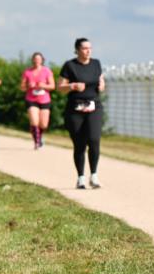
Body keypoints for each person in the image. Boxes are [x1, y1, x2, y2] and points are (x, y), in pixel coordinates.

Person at [57, 38, 105, 189]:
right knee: (79, 145)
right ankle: (81, 178)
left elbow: (100, 80)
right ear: (77, 50)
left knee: (94, 140)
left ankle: (94, 175)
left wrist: (102, 85)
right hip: (75, 109)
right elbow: (60, 87)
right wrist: (72, 86)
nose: (88, 51)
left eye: (90, 48)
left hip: (93, 107)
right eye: (85, 48)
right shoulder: (70, 65)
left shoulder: (96, 63)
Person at [21, 52, 55, 149]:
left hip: (44, 100)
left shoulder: (47, 71)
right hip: (31, 99)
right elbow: (22, 87)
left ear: (42, 60)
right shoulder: (27, 72)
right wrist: (28, 86)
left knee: (43, 124)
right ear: (32, 60)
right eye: (35, 59)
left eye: (39, 59)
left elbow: (52, 86)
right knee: (34, 121)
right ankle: (37, 142)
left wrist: (43, 86)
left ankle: (40, 137)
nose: (37, 61)